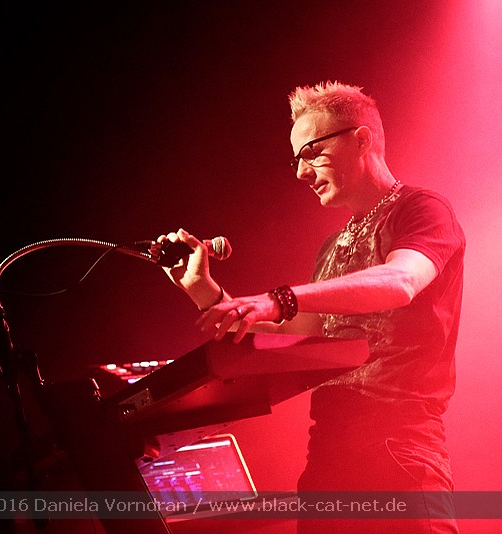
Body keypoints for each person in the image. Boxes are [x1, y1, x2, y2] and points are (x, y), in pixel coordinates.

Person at [157, 81, 465, 533]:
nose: (301, 172)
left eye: (312, 152)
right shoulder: (331, 246)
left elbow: (401, 281)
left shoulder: (422, 209)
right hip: (327, 457)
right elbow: (295, 334)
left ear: (361, 140)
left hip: (398, 446)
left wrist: (280, 299)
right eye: (295, 159)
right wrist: (205, 290)